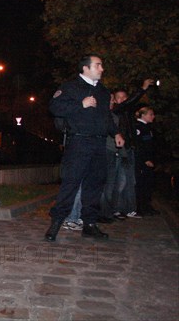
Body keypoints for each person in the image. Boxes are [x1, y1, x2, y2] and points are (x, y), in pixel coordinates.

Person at [45, 55, 124, 242]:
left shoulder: (104, 92)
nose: (102, 69)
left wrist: (117, 133)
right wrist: (81, 104)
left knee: (95, 185)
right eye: (98, 65)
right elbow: (54, 107)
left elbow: (106, 117)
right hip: (79, 143)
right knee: (70, 183)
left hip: (99, 144)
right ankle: (56, 222)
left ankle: (89, 224)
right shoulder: (70, 87)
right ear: (85, 68)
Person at [102, 80, 155, 220]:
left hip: (128, 150)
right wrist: (142, 89)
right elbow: (128, 104)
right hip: (117, 150)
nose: (121, 100)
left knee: (128, 182)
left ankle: (125, 209)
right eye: (118, 97)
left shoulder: (128, 113)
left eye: (124, 97)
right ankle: (112, 210)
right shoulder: (115, 111)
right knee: (116, 182)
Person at [134, 106, 158, 216]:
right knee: (141, 185)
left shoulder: (147, 127)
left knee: (148, 185)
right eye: (150, 114)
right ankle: (140, 208)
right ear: (143, 115)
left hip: (149, 161)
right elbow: (139, 146)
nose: (153, 117)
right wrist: (145, 160)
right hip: (142, 162)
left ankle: (147, 206)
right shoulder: (139, 127)